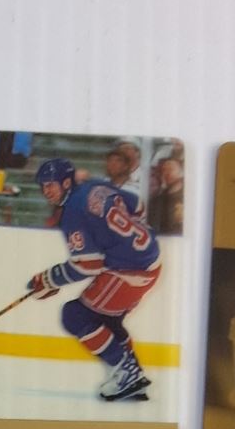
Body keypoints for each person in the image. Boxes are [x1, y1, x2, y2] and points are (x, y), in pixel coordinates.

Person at [25, 156, 160, 404]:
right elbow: (137, 205)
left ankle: (127, 372)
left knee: (75, 315)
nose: (46, 191)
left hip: (129, 271)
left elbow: (88, 265)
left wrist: (49, 279)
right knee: (106, 319)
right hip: (147, 262)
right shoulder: (96, 186)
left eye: (50, 184)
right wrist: (134, 236)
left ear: (66, 182)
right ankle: (132, 374)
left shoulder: (72, 213)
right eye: (43, 186)